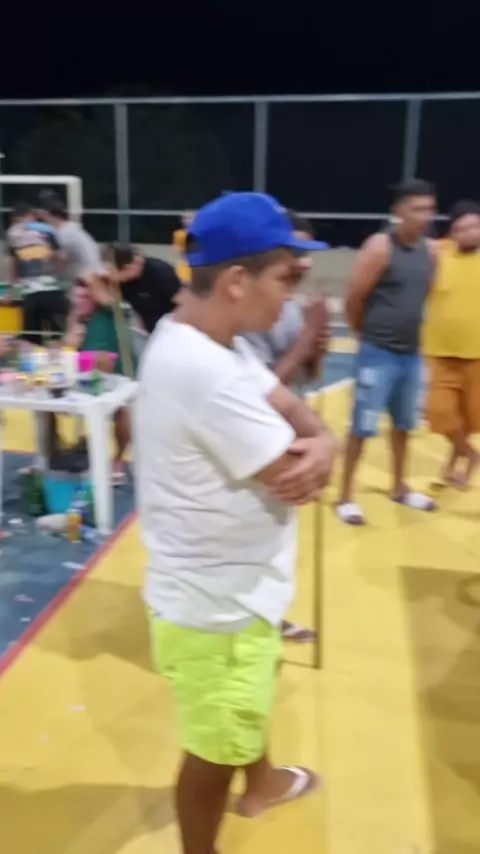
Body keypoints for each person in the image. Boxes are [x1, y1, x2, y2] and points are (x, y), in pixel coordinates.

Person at [136, 192, 337, 854]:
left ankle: (265, 779)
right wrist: (321, 450)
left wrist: (325, 440)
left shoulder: (206, 338)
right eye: (285, 278)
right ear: (236, 282)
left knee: (245, 701)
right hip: (217, 607)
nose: (290, 296)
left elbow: (290, 408)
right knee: (213, 751)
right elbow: (297, 474)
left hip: (234, 587)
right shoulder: (206, 372)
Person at [243, 211, 330, 642]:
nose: (302, 262)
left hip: (287, 430)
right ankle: (255, 619)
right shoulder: (253, 313)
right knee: (255, 532)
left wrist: (317, 348)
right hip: (255, 434)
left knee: (277, 535)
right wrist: (306, 337)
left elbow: (307, 375)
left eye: (306, 253)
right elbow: (262, 386)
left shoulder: (292, 306)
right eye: (294, 251)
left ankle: (268, 615)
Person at [337, 179, 437, 525]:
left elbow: (423, 296)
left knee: (405, 424)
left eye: (429, 209)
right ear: (398, 211)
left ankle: (399, 486)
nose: (425, 216)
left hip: (412, 353)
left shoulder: (432, 251)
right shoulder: (380, 247)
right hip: (377, 352)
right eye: (417, 209)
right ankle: (346, 496)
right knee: (362, 426)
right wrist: (364, 334)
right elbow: (354, 298)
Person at [423, 200, 480, 486]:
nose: (469, 232)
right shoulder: (438, 253)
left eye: (474, 226)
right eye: (461, 228)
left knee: (468, 417)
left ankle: (455, 464)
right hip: (439, 351)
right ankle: (470, 454)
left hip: (477, 354)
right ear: (452, 232)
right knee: (439, 412)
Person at [65, 274, 134, 484]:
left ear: (96, 297)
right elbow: (66, 351)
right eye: (76, 297)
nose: (79, 301)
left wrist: (91, 276)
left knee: (122, 409)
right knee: (45, 405)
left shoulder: (109, 314)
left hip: (118, 379)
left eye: (85, 297)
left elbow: (104, 365)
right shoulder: (77, 318)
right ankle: (50, 457)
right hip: (83, 380)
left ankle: (118, 460)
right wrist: (70, 342)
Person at [4, 203, 68, 345]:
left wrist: (11, 289)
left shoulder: (44, 231)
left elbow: (13, 263)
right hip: (40, 290)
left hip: (43, 289)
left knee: (42, 333)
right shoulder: (17, 234)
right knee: (46, 332)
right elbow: (61, 258)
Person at [108, 243, 182, 333]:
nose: (109, 275)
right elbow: (110, 302)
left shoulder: (161, 274)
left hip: (173, 329)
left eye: (111, 271)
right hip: (151, 331)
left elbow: (183, 305)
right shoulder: (123, 280)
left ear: (129, 267)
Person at [37, 191, 104, 283]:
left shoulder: (63, 234)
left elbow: (59, 259)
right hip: (94, 275)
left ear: (46, 214)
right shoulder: (71, 228)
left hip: (87, 280)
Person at [173, 211, 194, 285]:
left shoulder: (203, 233)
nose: (187, 220)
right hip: (186, 262)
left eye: (190, 218)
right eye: (185, 218)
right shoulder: (179, 234)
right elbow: (180, 251)